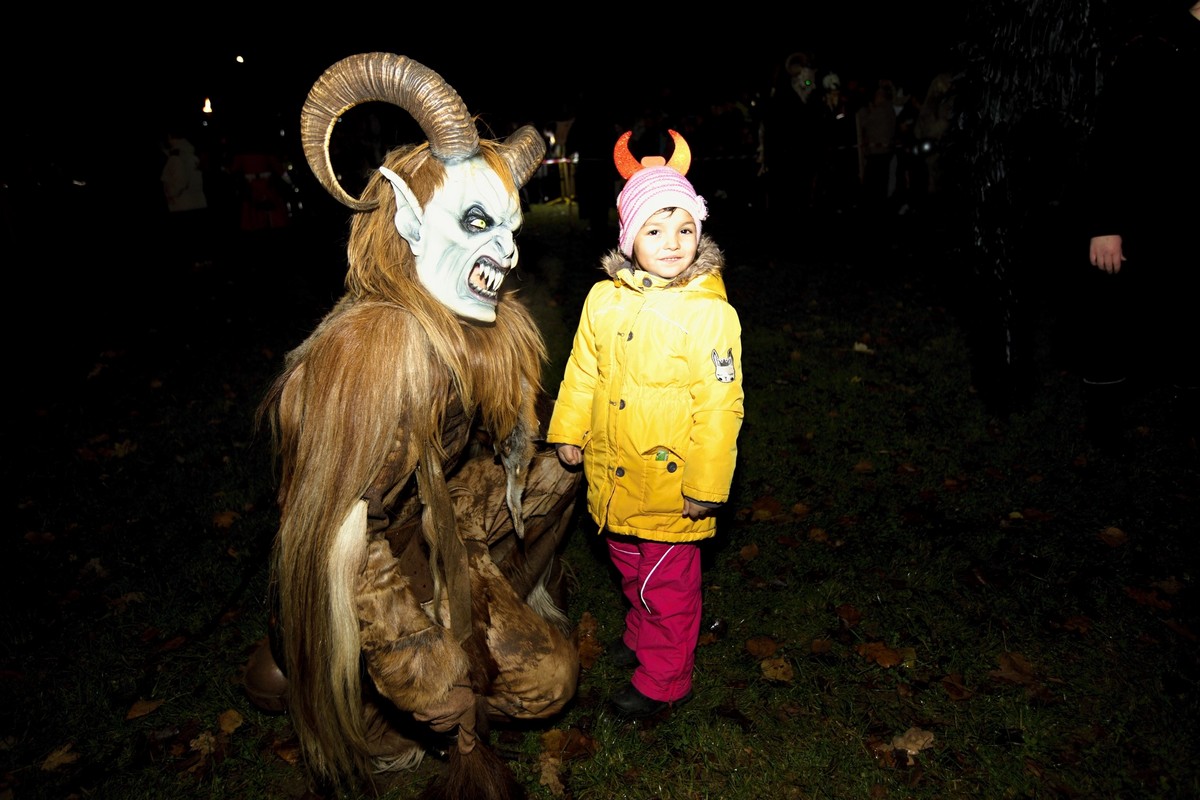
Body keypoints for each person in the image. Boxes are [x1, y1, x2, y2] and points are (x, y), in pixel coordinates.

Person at [547, 130, 744, 719]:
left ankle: (664, 681)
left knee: (669, 587)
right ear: (628, 235)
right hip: (613, 475)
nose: (673, 243)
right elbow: (582, 370)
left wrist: (705, 488)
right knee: (631, 567)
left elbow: (720, 407)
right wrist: (569, 431)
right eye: (655, 230)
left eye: (685, 228)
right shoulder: (603, 302)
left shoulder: (710, 315)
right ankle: (645, 637)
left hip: (669, 483)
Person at [1077, 0, 1200, 455]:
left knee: (1190, 319)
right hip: (1142, 215)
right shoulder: (1154, 44)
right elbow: (1111, 134)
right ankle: (1105, 429)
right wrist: (1105, 223)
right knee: (1115, 320)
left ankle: (1189, 418)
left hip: (1193, 218)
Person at [159, 127, 211, 269]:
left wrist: (170, 194)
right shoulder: (191, 155)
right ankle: (200, 262)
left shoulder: (176, 158)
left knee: (186, 239)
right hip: (196, 202)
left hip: (182, 204)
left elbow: (179, 181)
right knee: (195, 238)